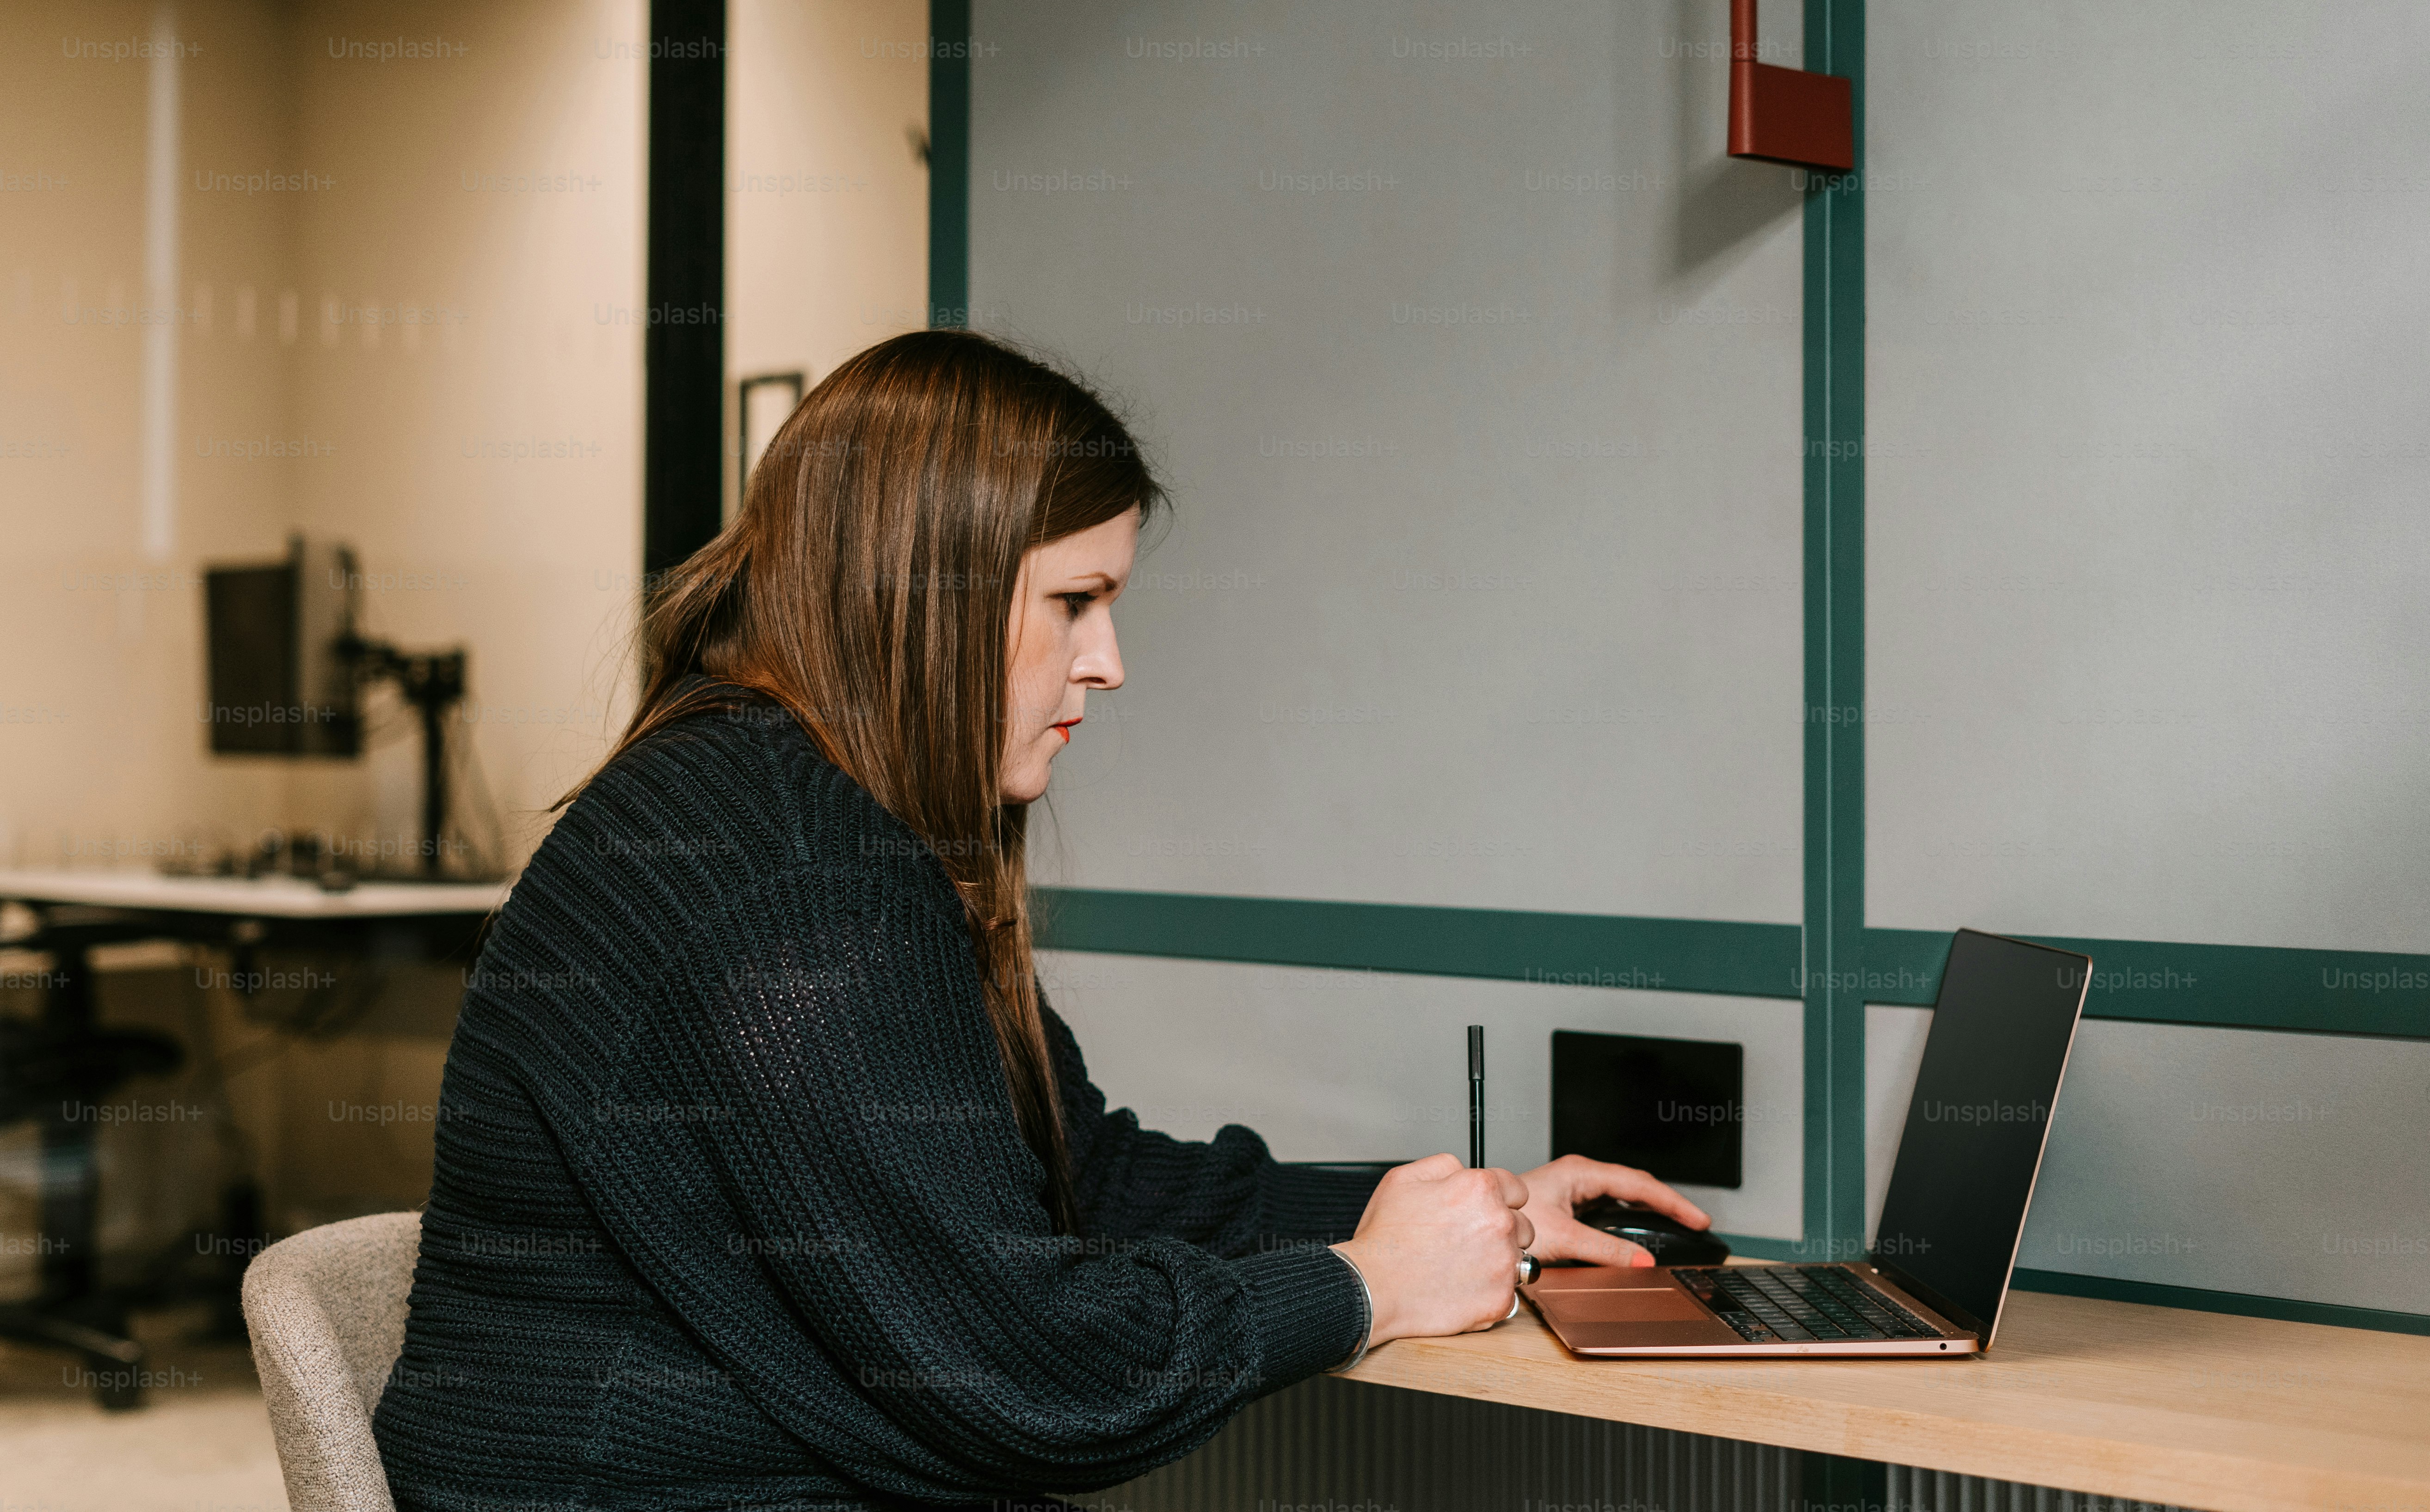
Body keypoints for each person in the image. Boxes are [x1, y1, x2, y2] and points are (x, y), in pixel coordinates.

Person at [374, 330, 1710, 1511]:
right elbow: (1026, 1370)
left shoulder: (809, 813)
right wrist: (1367, 1288)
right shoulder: (792, 884)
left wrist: (1452, 1213)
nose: (1108, 665)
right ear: (928, 595)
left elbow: (1086, 1179)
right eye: (1075, 602)